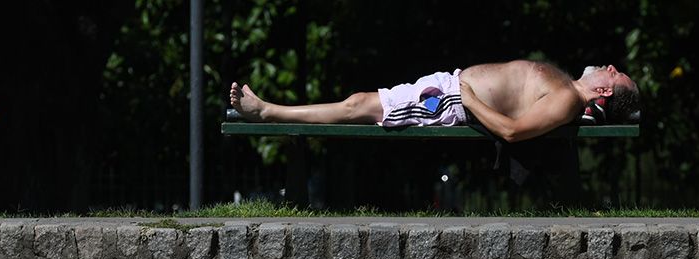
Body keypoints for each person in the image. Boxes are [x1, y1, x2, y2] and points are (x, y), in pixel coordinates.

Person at [229, 60, 640, 143]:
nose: (607, 65)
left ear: (603, 91)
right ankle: (267, 108)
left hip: (450, 101)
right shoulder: (567, 90)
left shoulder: (567, 100)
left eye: (613, 72)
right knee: (359, 102)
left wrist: (466, 95)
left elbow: (512, 132)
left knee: (358, 105)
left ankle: (265, 110)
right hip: (451, 90)